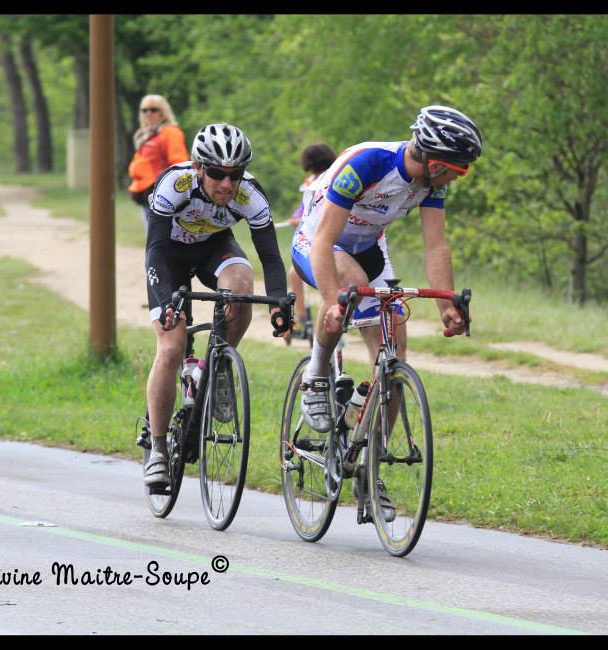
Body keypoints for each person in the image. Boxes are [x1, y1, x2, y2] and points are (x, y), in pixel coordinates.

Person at [291, 105, 482, 435]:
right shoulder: (366, 163)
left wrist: (446, 306)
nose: (457, 177)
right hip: (319, 240)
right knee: (351, 282)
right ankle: (316, 375)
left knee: (393, 345)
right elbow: (324, 240)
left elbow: (436, 245)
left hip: (369, 247)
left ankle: (368, 464)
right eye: (458, 171)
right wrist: (331, 302)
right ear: (436, 164)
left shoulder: (433, 182)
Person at [142, 123, 289, 487]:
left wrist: (279, 304)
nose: (226, 184)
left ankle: (219, 365)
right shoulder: (174, 184)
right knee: (172, 345)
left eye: (235, 174)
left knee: (240, 286)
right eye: (217, 174)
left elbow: (270, 257)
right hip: (169, 257)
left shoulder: (250, 195)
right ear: (197, 167)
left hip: (213, 249)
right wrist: (165, 303)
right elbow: (155, 249)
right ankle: (158, 448)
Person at [286, 142, 337, 339]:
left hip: (325, 237)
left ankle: (302, 318)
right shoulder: (310, 183)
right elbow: (303, 208)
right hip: (314, 236)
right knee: (294, 274)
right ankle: (302, 318)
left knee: (295, 273)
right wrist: (296, 218)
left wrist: (299, 219)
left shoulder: (330, 179)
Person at [127, 95, 189, 235]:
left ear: (163, 112)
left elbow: (179, 162)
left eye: (153, 110)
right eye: (144, 110)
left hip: (161, 192)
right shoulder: (146, 134)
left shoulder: (170, 132)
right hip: (144, 193)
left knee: (161, 237)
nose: (148, 113)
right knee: (152, 235)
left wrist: (172, 190)